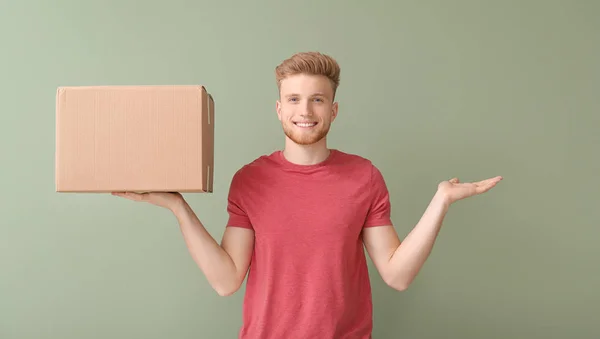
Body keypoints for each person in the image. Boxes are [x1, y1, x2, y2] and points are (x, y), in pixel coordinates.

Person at [112, 51, 502, 338]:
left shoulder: (364, 177)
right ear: (279, 109)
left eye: (317, 99)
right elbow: (227, 279)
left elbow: (397, 275)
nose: (306, 110)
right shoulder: (250, 179)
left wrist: (441, 201)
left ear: (334, 110)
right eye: (295, 99)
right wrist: (179, 206)